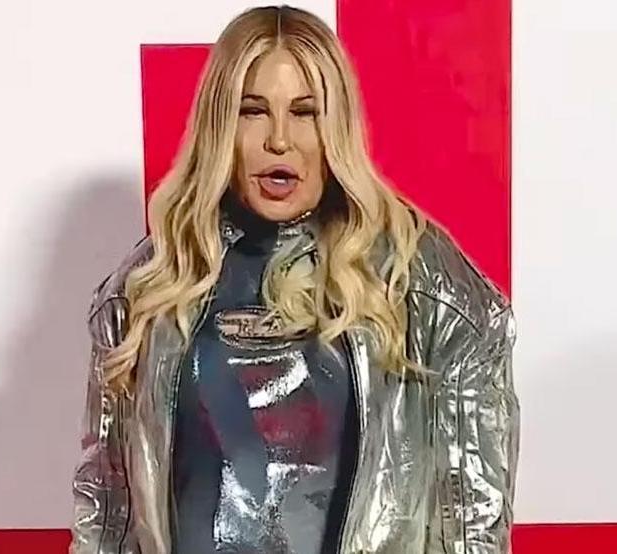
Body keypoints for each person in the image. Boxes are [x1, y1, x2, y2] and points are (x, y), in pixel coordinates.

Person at [69, 5, 519, 554]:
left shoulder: (417, 282)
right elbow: (105, 521)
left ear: (336, 127)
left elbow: (473, 522)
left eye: (305, 112)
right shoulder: (150, 289)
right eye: (252, 111)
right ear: (220, 125)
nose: (279, 140)